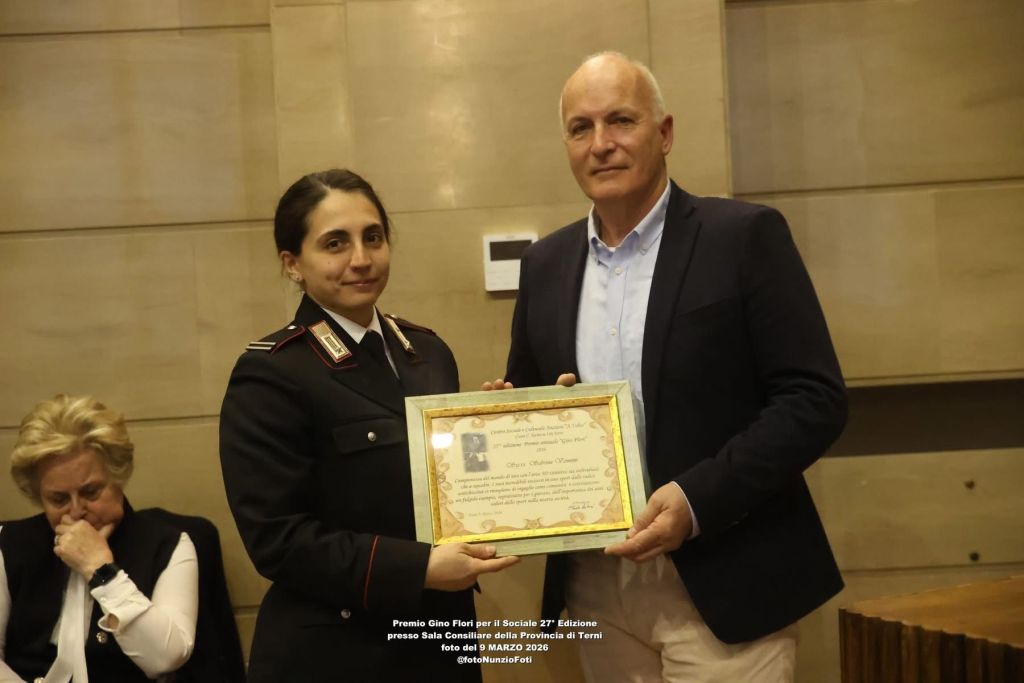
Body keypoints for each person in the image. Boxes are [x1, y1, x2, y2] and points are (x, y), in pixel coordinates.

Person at [489, 52, 848, 682]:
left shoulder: (743, 236)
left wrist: (695, 500)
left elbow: (813, 401)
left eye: (621, 121)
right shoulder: (544, 265)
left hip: (725, 574)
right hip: (595, 584)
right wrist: (507, 421)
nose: (601, 144)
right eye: (581, 128)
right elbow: (533, 400)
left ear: (665, 133)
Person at [219, 169, 518, 683]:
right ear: (293, 264)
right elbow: (278, 539)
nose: (361, 259)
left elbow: (446, 489)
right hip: (338, 653)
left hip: (439, 644)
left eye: (372, 237)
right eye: (335, 243)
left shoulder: (427, 351)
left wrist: (496, 433)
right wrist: (419, 569)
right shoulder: (272, 372)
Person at [0, 394, 198, 682]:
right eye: (58, 499)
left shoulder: (169, 546)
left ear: (118, 477)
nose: (77, 511)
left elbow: (165, 659)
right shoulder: (10, 543)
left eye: (91, 492)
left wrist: (102, 571)